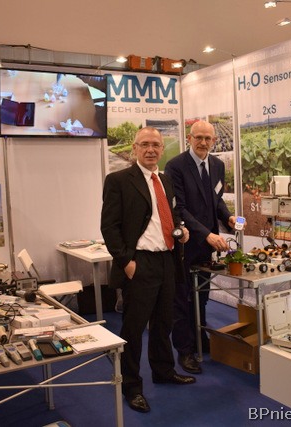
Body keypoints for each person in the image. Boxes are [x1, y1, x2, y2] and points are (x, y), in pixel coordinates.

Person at [100, 126, 195, 414]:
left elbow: (172, 214)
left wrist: (180, 229)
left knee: (164, 322)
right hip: (139, 263)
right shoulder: (118, 180)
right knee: (134, 328)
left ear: (162, 148)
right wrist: (126, 262)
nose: (151, 149)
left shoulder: (165, 180)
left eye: (156, 144)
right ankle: (131, 386)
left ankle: (163, 371)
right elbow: (109, 226)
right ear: (135, 148)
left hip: (167, 260)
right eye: (145, 144)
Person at [164, 120, 236, 374]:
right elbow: (180, 209)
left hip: (207, 244)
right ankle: (184, 350)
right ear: (189, 138)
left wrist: (227, 217)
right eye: (199, 138)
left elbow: (217, 199)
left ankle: (199, 338)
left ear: (214, 140)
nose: (203, 142)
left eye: (208, 138)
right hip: (186, 244)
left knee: (202, 295)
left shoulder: (217, 165)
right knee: (183, 298)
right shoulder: (175, 166)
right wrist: (206, 234)